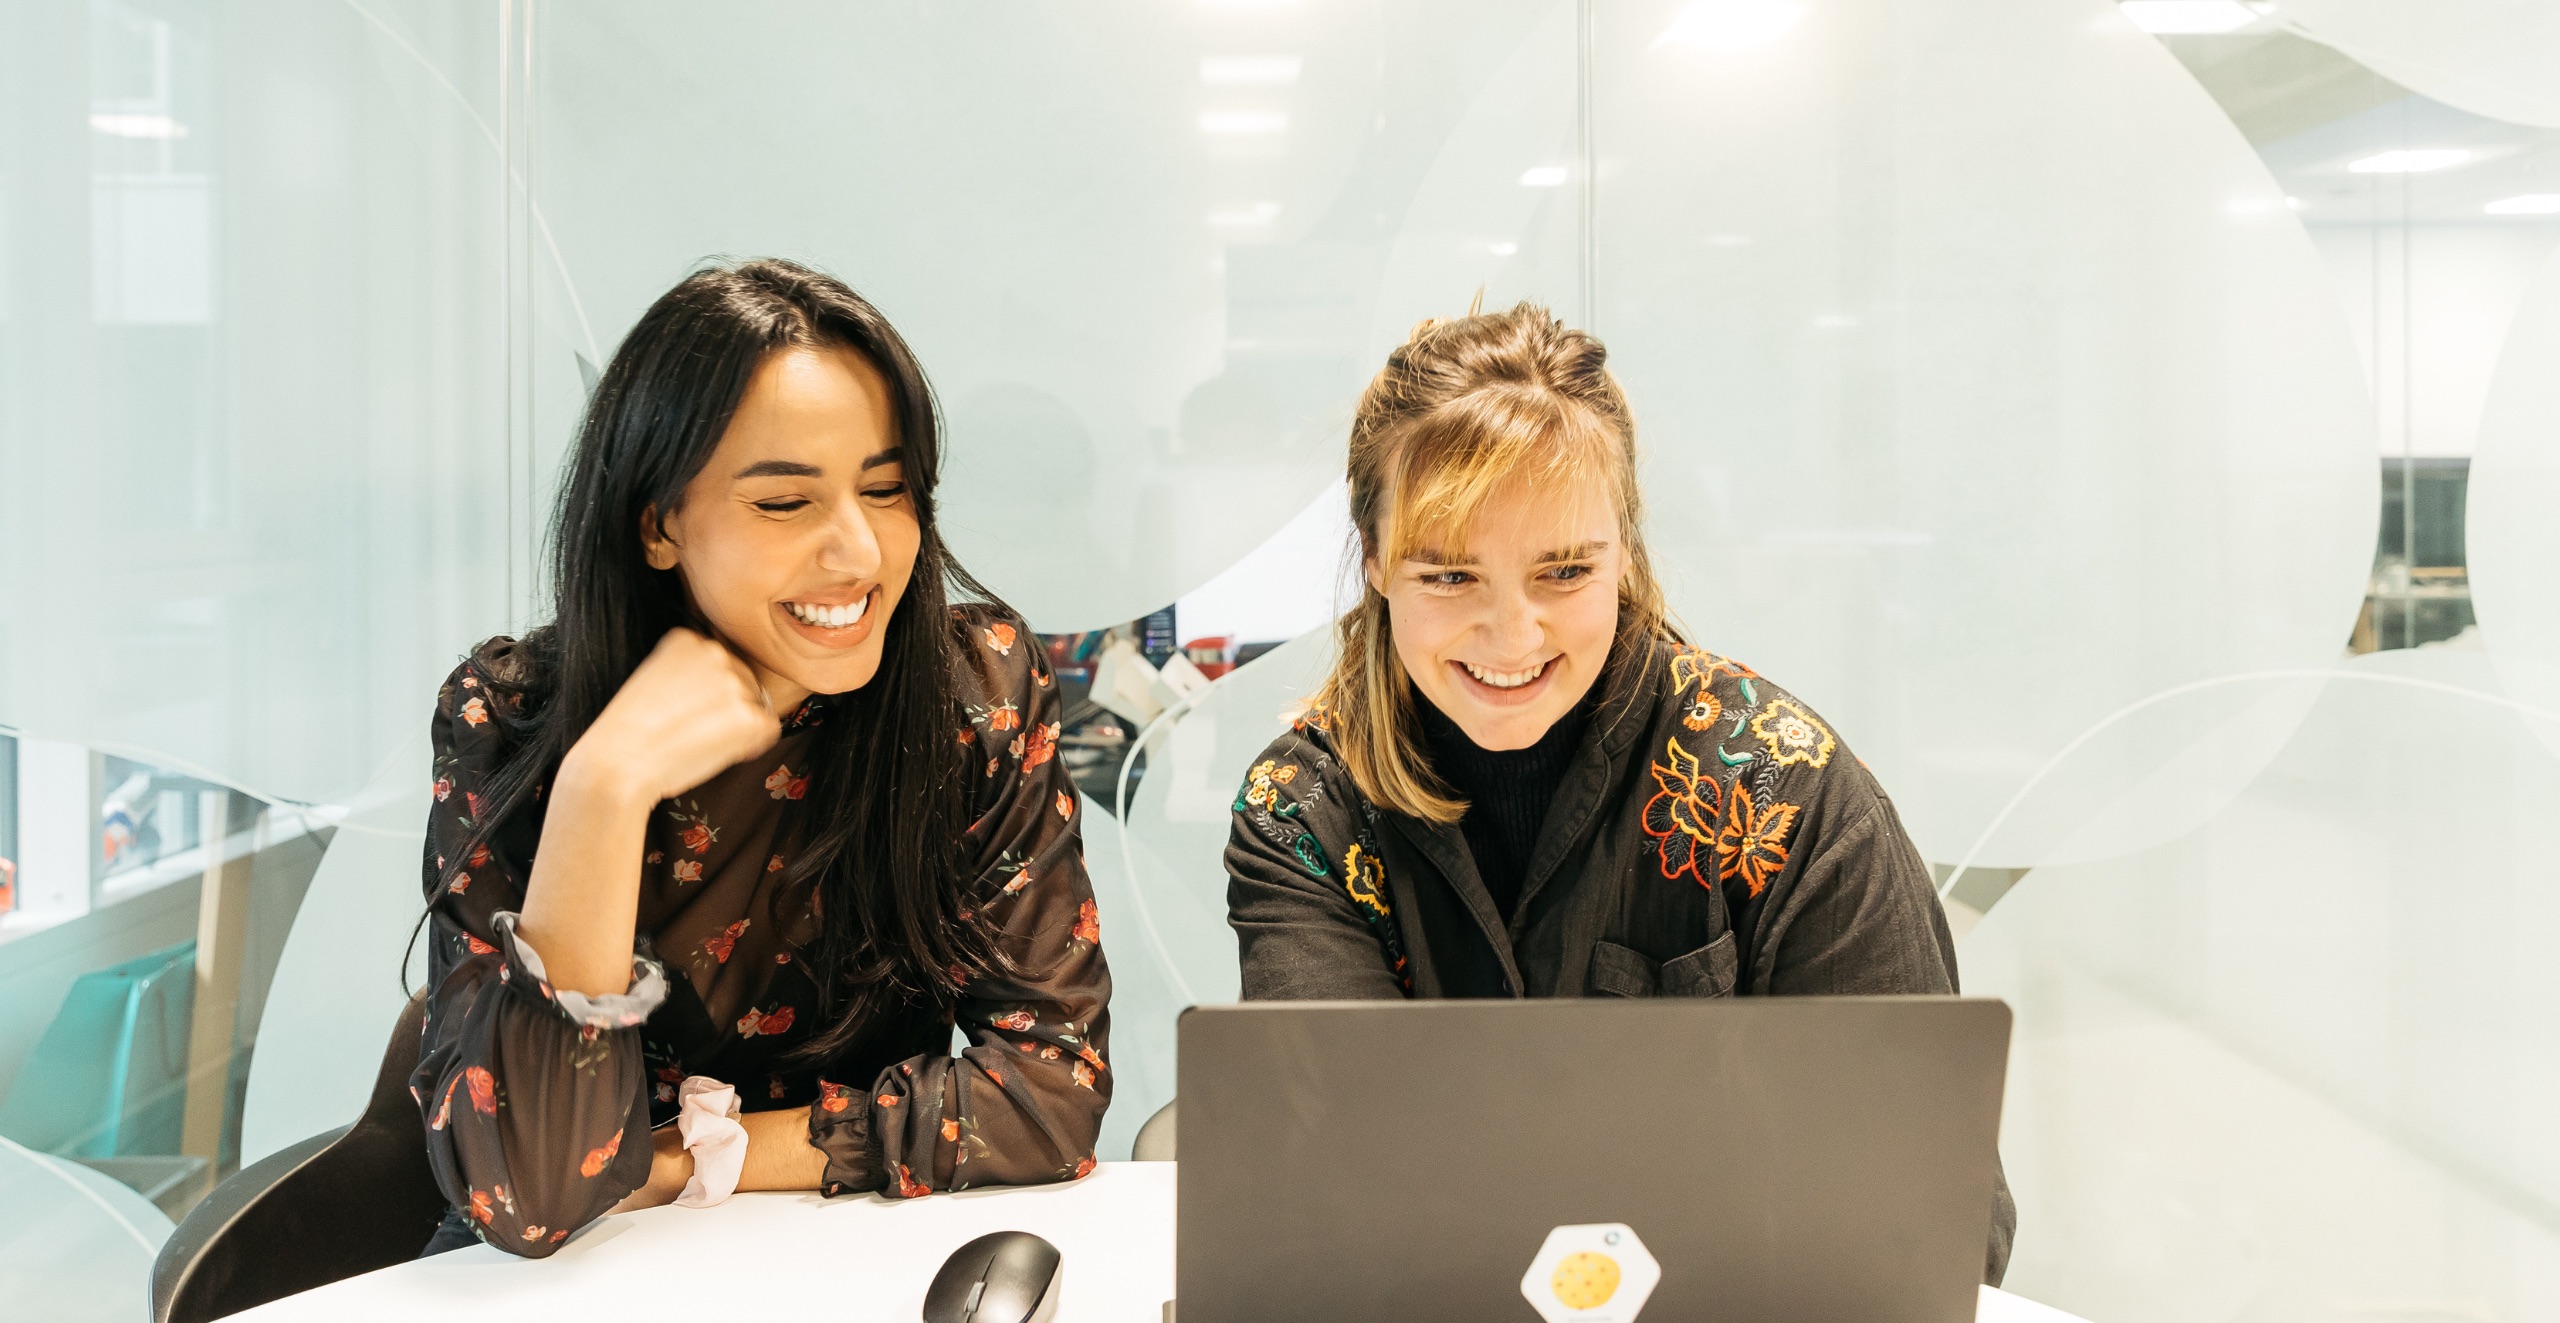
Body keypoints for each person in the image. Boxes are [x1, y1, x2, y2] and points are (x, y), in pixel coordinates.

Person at [1222, 302, 2014, 1282]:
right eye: (1450, 576)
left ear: (1625, 551)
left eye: (1562, 570)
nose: (1513, 636)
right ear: (1375, 561)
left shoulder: (1782, 787)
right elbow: (1332, 1192)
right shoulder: (1304, 812)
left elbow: (1934, 1218)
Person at [412, 260, 1110, 1258]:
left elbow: (1050, 1092)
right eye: (785, 502)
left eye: (886, 489)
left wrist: (698, 1158)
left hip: (843, 1256)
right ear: (659, 523)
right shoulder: (509, 717)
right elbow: (533, 1193)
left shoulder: (974, 695)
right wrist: (604, 790)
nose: (859, 553)